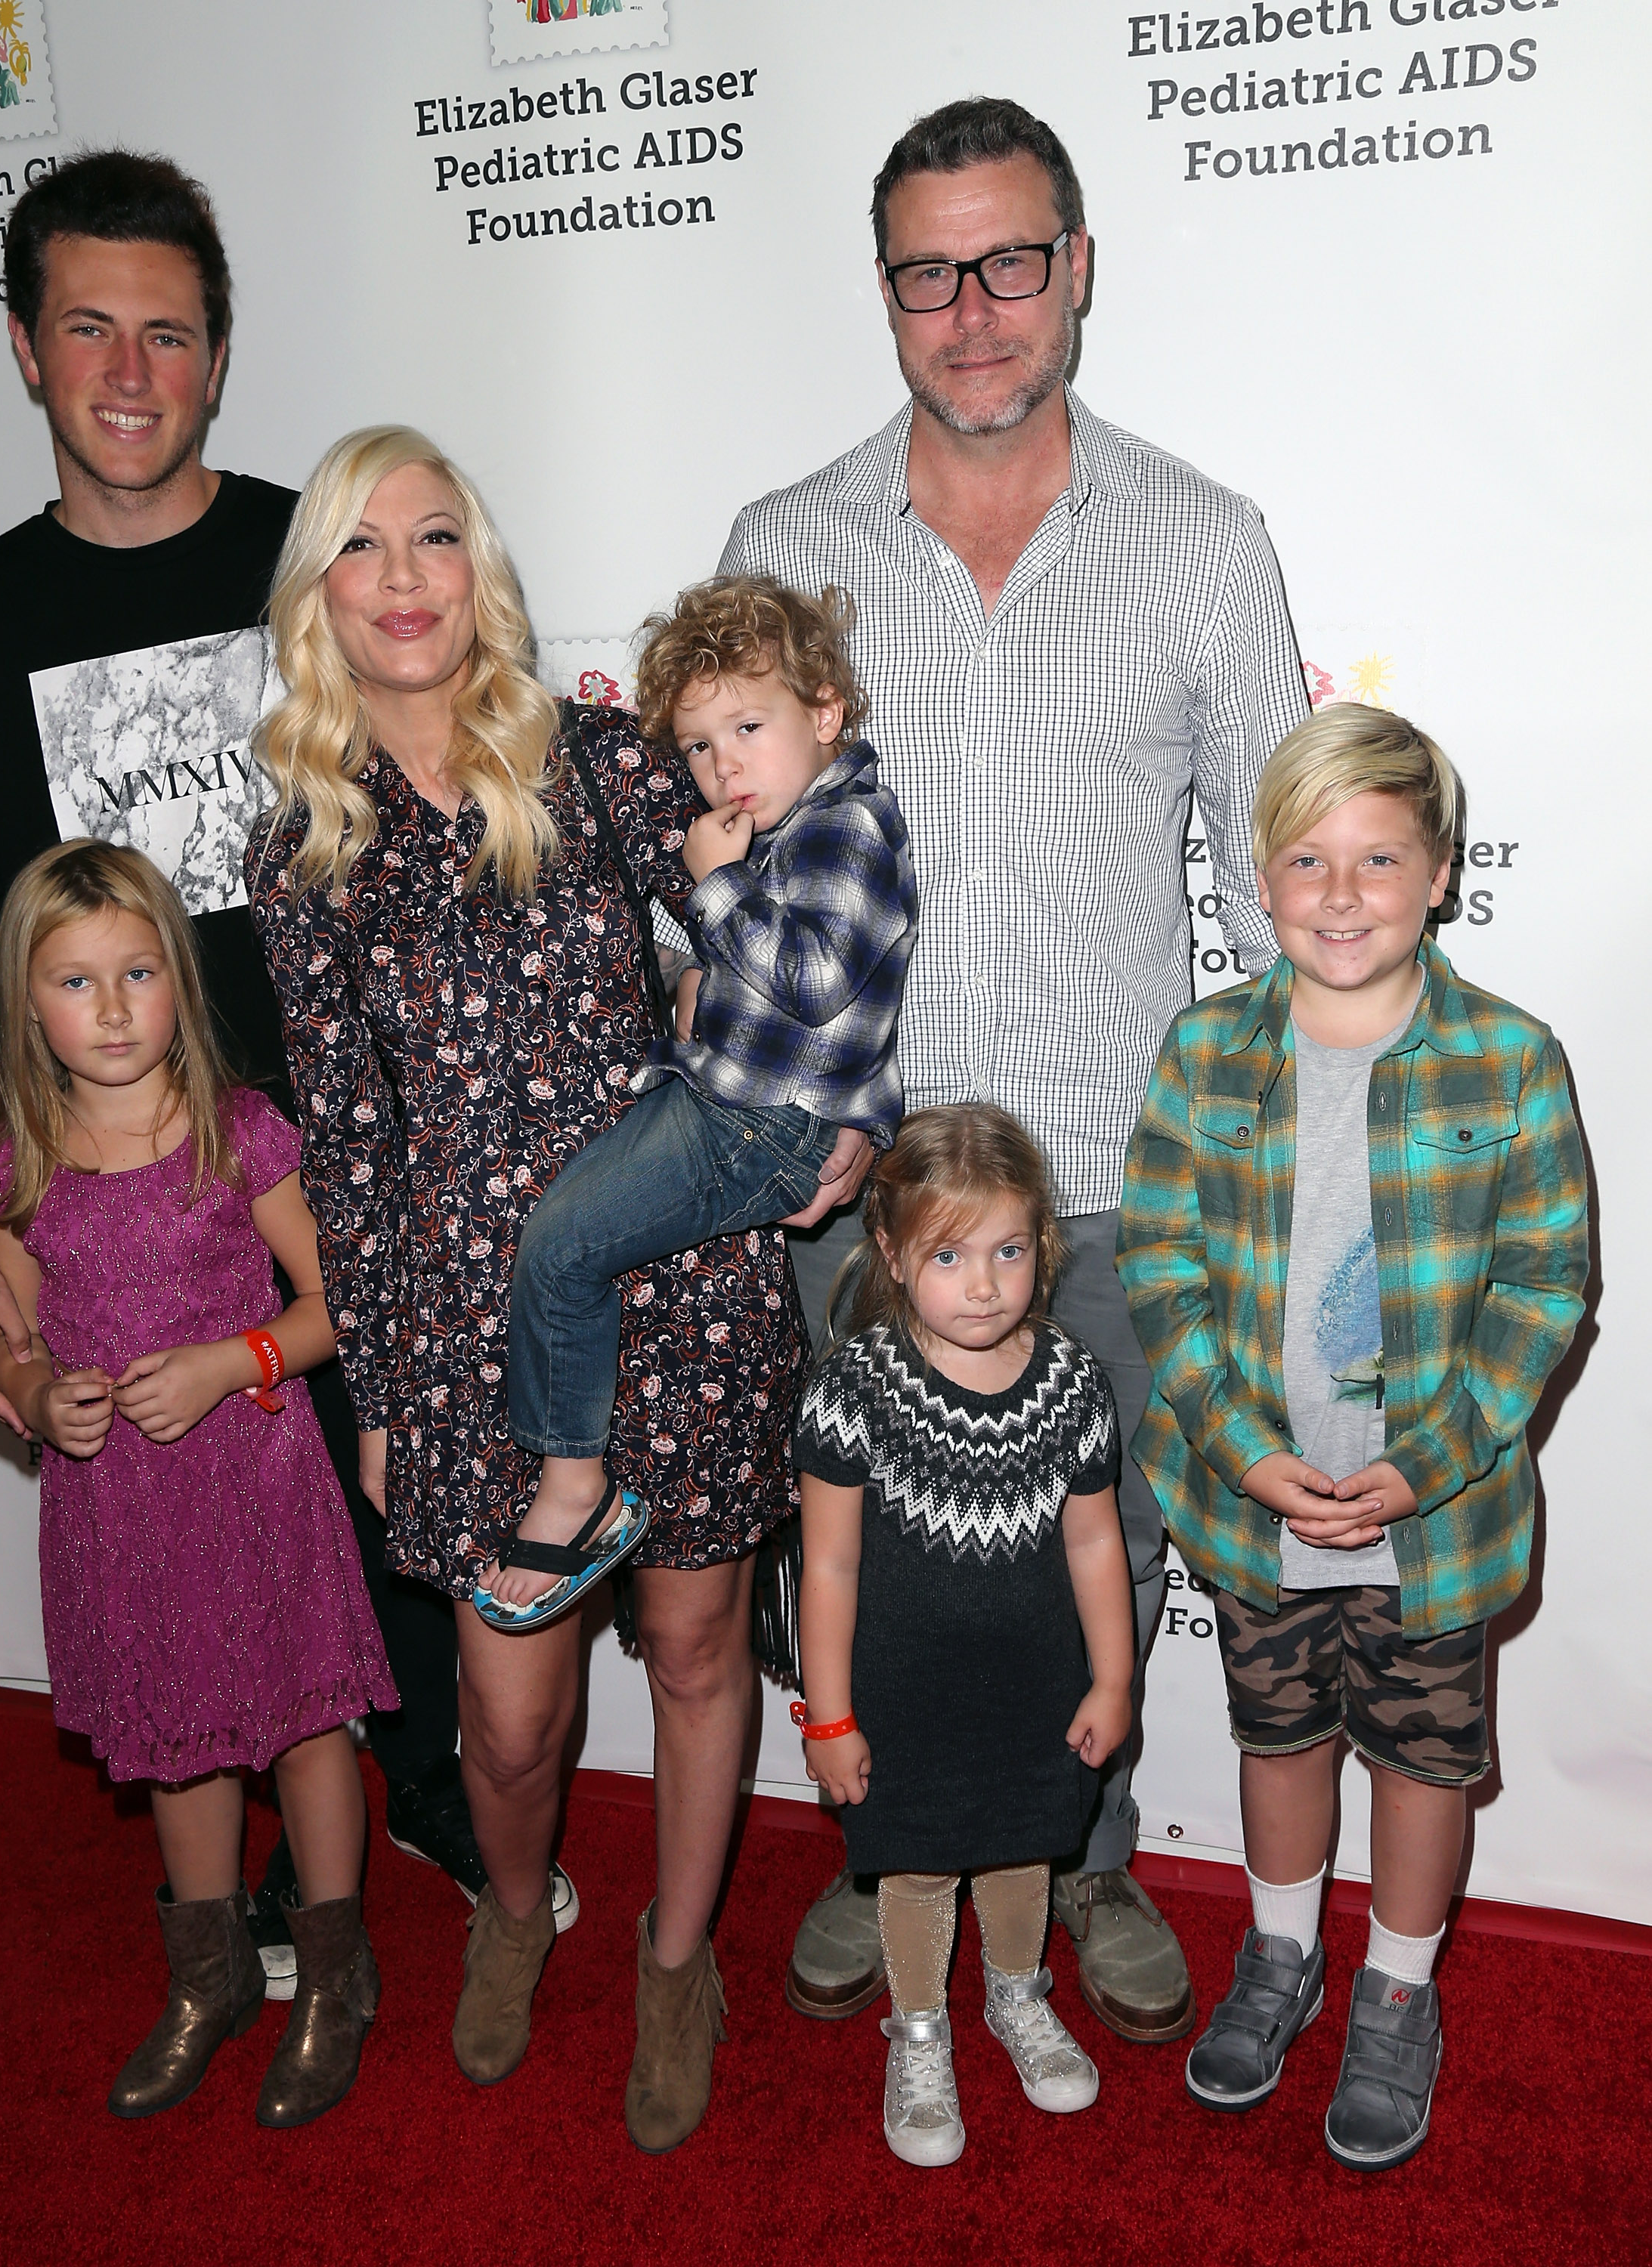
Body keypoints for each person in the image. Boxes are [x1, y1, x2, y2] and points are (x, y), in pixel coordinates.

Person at [719, 94, 1310, 2040]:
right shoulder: (786, 550)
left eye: (1007, 263)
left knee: (1098, 1563)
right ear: (883, 293)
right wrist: (756, 1120)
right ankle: (892, 1857)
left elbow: (1277, 883)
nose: (970, 311)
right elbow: (712, 888)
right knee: (874, 1568)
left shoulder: (1207, 545)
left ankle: (1082, 1860)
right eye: (925, 273)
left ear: (1075, 270)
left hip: (1116, 1188)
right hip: (856, 1198)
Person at [0, 149, 488, 1984]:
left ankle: (433, 1817)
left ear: (219, 359)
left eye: (170, 332)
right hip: (124, 1199)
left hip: (345, 1170)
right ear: (22, 348)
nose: (133, 371)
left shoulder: (305, 569)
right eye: (91, 328)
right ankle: (232, 1919)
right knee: (184, 1572)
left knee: (385, 1548)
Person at [245, 425, 831, 2154]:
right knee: (508, 1721)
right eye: (365, 547)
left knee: (701, 1640)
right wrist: (376, 1395)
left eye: (437, 537)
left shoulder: (597, 760)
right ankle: (514, 1906)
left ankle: (673, 1959)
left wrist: (829, 1121)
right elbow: (345, 1151)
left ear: (478, 569)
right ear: (320, 598)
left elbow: (772, 934)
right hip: (459, 1338)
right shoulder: (302, 851)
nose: (408, 578)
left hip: (685, 1276)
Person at [1116, 706, 1589, 2169]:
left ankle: (1395, 1990)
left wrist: (1429, 1458)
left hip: (1431, 1519)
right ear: (1258, 877)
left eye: (1379, 860)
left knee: (1426, 1764)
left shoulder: (1509, 1059)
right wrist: (1246, 1450)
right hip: (1250, 1497)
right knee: (1277, 1737)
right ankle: (1278, 1956)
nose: (1339, 894)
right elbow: (1161, 1267)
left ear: (1441, 873)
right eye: (1307, 860)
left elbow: (1544, 1280)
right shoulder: (1203, 1050)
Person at [0, 842, 398, 2125]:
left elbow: (340, 1305)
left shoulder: (238, 1130)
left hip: (259, 1487)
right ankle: (208, 1982)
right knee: (178, 1749)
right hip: (123, 1513)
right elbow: (16, 1342)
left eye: (137, 972)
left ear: (178, 982)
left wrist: (229, 1360)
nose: (110, 1009)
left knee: (309, 1731)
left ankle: (336, 1975)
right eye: (76, 981)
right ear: (26, 1005)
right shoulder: (14, 1166)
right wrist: (41, 1396)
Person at [490, 576, 917, 1630]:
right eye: (696, 746)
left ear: (825, 713)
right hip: (727, 1105)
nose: (722, 765)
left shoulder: (845, 828)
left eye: (748, 727)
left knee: (564, 1247)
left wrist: (714, 887)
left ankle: (574, 1486)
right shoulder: (788, 821)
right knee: (554, 1239)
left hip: (762, 1132)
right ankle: (569, 1467)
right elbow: (852, 1013)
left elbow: (817, 982)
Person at [794, 1105, 1134, 2166]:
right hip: (903, 1692)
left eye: (1006, 1250)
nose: (982, 1283)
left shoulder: (1072, 1379)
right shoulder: (853, 1389)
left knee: (1023, 1849)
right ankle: (921, 2031)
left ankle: (1014, 1997)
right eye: (948, 1254)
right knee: (919, 1869)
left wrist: (1112, 1678)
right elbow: (830, 1566)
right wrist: (831, 1714)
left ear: (1044, 1245)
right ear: (891, 1255)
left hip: (1034, 1683)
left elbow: (1093, 1545)